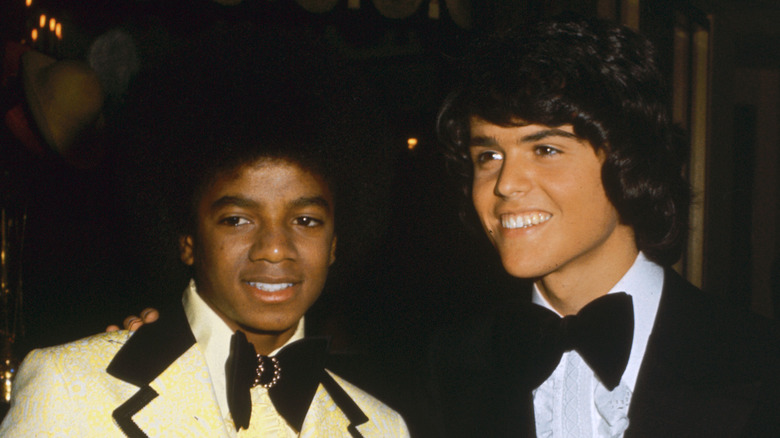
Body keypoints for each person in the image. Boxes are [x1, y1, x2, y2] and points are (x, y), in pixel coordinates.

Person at [0, 25, 409, 438]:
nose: (274, 249)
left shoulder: (382, 428)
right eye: (237, 219)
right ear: (187, 240)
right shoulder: (69, 389)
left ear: (336, 242)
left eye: (305, 221)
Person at [428, 14, 780, 437]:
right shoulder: (447, 367)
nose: (504, 185)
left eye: (545, 149)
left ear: (630, 163)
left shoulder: (760, 361)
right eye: (488, 156)